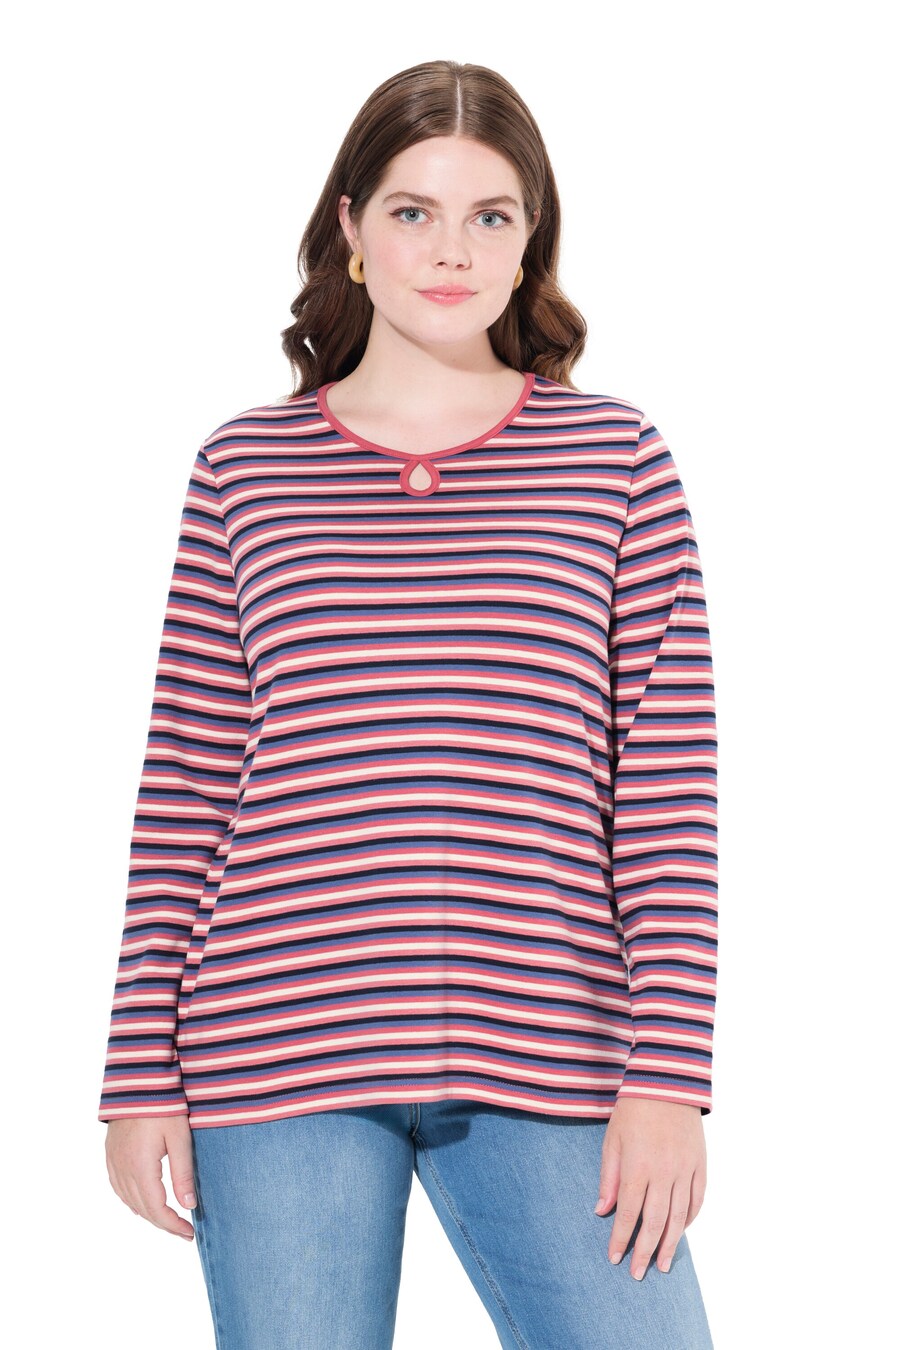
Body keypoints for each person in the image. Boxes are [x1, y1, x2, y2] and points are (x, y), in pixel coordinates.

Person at [100, 59, 718, 1350]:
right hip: (276, 1044)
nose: (452, 250)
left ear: (531, 237)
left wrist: (670, 1076)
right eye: (413, 211)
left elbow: (666, 794)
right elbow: (188, 785)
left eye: (491, 215)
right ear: (352, 228)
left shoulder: (614, 459)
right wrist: (139, 1069)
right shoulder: (244, 468)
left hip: (556, 1043)